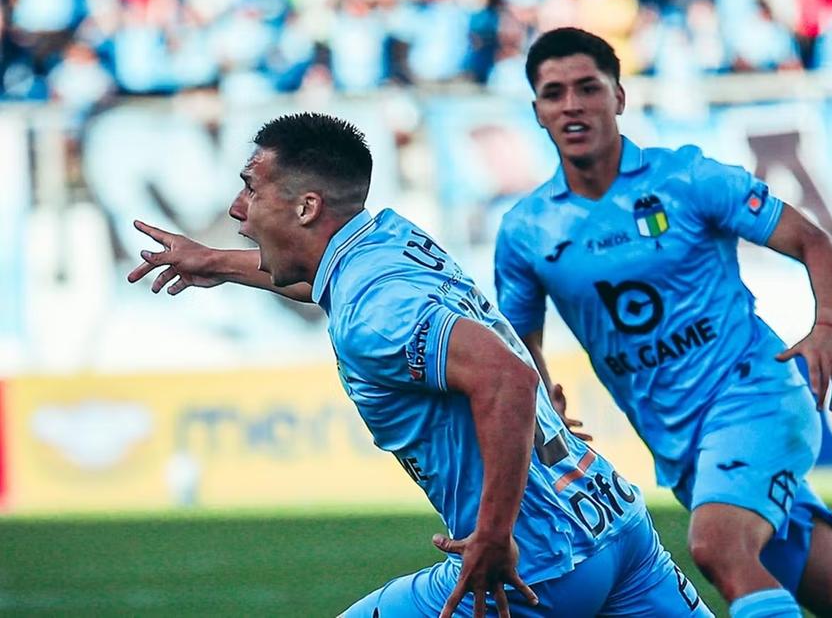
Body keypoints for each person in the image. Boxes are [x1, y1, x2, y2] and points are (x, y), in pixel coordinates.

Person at [492, 27, 832, 618]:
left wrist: (828, 327)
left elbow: (813, 240)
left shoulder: (686, 179)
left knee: (719, 546)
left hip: (756, 396)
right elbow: (519, 339)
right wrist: (542, 393)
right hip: (683, 445)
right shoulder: (527, 230)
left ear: (620, 97)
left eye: (589, 88)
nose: (573, 104)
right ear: (538, 111)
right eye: (555, 94)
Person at [127, 112, 713, 618]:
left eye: (250, 188)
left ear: (307, 206)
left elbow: (507, 378)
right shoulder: (387, 239)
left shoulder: (370, 312)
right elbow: (325, 279)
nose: (237, 208)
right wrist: (217, 262)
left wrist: (493, 534)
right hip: (616, 525)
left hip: (536, 565)